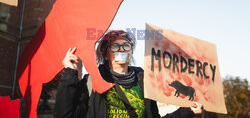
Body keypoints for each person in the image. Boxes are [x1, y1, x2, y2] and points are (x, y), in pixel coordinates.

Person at [54, 30, 201, 118]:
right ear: (105, 54)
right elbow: (64, 115)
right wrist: (70, 72)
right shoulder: (92, 81)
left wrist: (189, 111)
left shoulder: (143, 81)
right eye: (115, 46)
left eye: (126, 45)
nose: (122, 49)